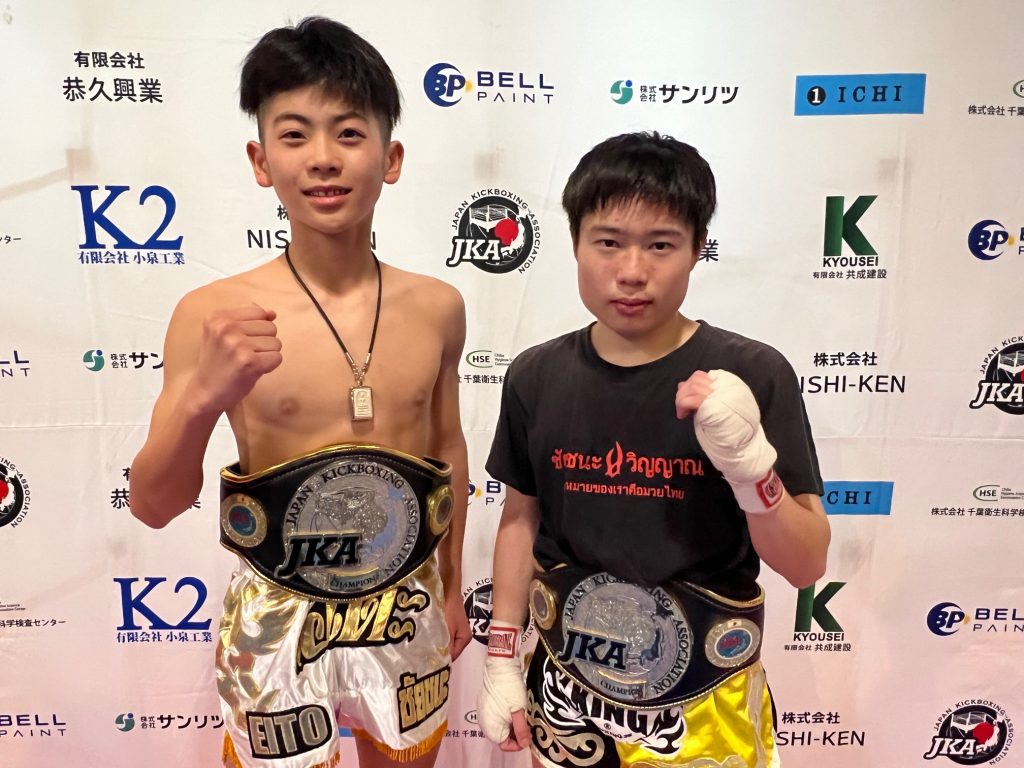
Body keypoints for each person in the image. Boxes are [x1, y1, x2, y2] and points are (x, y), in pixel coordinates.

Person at [129, 17, 471, 768]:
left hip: (408, 599)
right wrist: (203, 397)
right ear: (261, 160)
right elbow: (152, 505)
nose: (322, 158)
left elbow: (446, 447)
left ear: (391, 157)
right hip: (277, 612)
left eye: (348, 133)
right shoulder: (212, 314)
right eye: (294, 134)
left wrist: (452, 583)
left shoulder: (438, 306)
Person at [478, 132, 831, 767]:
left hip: (704, 701)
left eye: (661, 244)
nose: (633, 271)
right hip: (566, 689)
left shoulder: (752, 373)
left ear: (697, 248)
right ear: (576, 244)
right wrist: (502, 656)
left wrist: (751, 470)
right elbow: (520, 517)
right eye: (608, 242)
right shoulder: (535, 374)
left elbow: (806, 565)